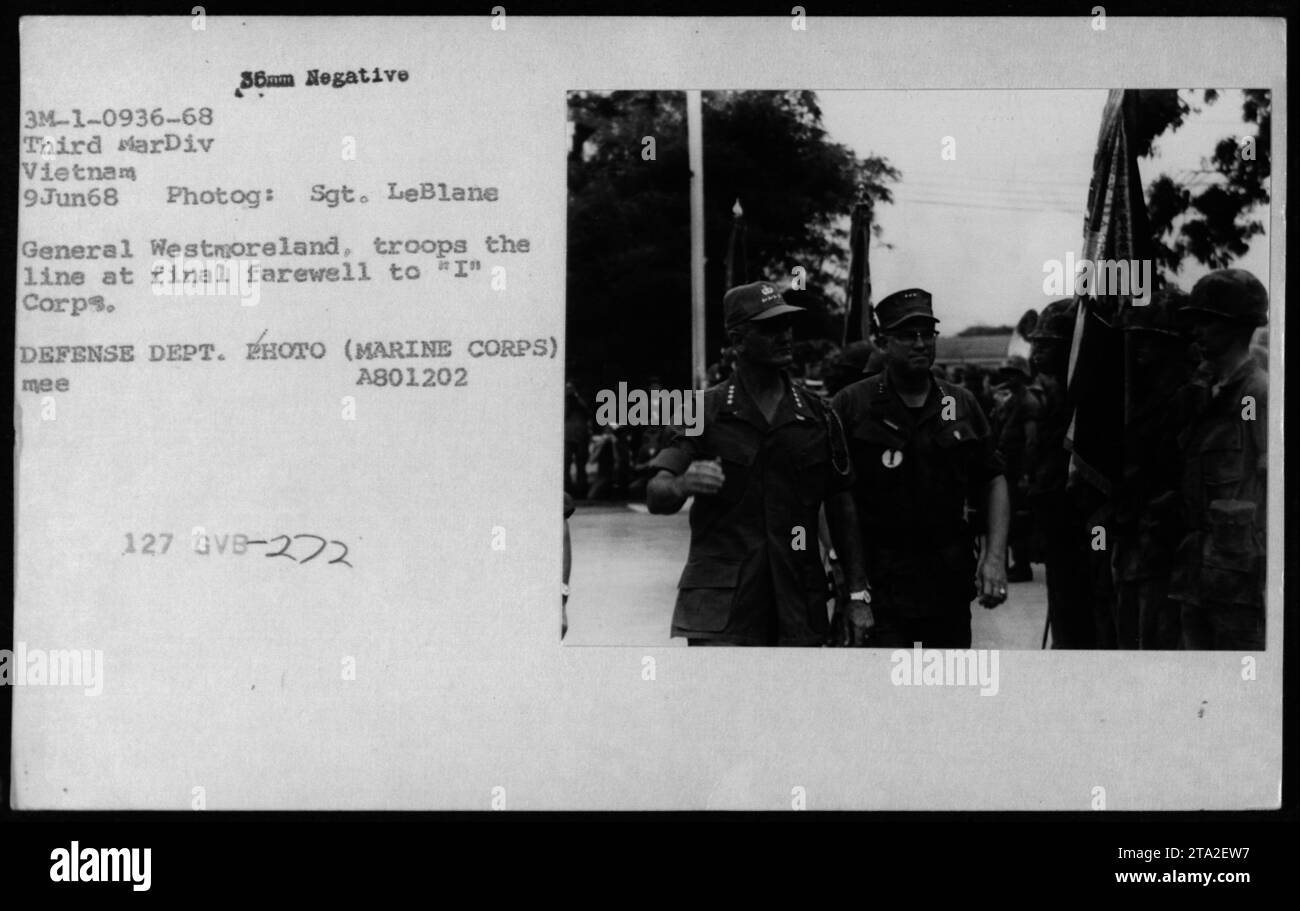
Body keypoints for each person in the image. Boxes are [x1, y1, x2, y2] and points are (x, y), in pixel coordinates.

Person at [646, 281, 873, 647]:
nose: (784, 336)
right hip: (724, 608)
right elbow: (656, 494)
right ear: (738, 341)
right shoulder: (700, 411)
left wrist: (857, 595)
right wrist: (683, 483)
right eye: (769, 328)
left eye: (786, 325)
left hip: (798, 603)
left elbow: (842, 508)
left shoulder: (818, 414)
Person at [832, 288, 1010, 648]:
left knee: (945, 693)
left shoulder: (959, 403)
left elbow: (993, 479)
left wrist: (994, 558)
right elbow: (833, 495)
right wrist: (851, 587)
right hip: (879, 584)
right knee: (884, 695)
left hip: (947, 581)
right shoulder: (852, 405)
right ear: (882, 342)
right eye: (906, 335)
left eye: (927, 334)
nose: (920, 344)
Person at [1168, 269, 1269, 650]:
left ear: (1233, 326)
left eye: (1205, 321)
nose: (1196, 330)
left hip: (1240, 585)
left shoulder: (1256, 394)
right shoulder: (1206, 393)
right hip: (1197, 576)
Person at [1111, 288, 1193, 648]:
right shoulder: (1142, 396)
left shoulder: (1187, 397)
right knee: (1132, 633)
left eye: (1150, 340)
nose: (1139, 348)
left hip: (1167, 543)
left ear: (1172, 344)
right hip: (1139, 538)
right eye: (1136, 339)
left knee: (1157, 639)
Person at [1026, 297, 1103, 648]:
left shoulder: (1082, 403)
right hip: (1056, 522)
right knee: (1066, 618)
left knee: (1083, 619)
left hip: (1079, 524)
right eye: (1036, 345)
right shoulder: (1050, 400)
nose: (1037, 353)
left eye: (1047, 345)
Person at [989, 355, 1039, 582]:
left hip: (1018, 469)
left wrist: (1026, 473)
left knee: (1018, 520)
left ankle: (1022, 565)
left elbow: (1031, 441)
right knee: (1009, 517)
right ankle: (1017, 563)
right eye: (1006, 373)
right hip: (1007, 467)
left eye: (1012, 373)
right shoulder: (1012, 400)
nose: (1008, 378)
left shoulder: (1028, 402)